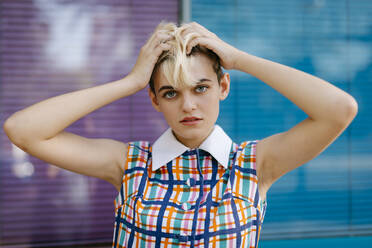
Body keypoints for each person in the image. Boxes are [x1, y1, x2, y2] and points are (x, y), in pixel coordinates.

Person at [3, 21, 358, 248]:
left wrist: (238, 58)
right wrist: (130, 82)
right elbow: (23, 130)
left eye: (200, 88)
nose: (188, 105)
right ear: (155, 100)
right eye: (171, 92)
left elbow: (340, 110)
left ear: (223, 86)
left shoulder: (254, 164)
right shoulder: (129, 163)